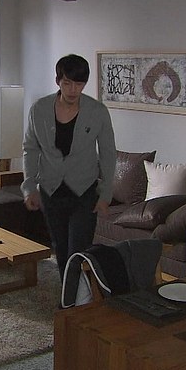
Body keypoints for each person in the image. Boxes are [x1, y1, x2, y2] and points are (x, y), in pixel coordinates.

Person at [22, 54, 116, 279]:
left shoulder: (97, 111)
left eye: (79, 84)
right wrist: (29, 188)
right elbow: (30, 149)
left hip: (84, 192)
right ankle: (69, 294)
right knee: (61, 250)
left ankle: (77, 296)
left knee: (78, 252)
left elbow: (108, 154)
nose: (73, 90)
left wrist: (106, 193)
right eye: (67, 83)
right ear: (58, 81)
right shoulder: (39, 109)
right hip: (51, 191)